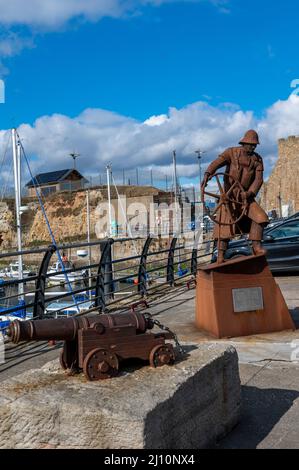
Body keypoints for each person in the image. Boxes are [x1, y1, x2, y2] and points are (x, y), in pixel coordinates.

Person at [201, 130, 269, 263]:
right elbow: (217, 162)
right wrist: (208, 173)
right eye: (251, 144)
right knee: (224, 227)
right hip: (229, 198)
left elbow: (258, 180)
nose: (253, 147)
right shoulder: (231, 153)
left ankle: (256, 247)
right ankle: (220, 256)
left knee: (261, 217)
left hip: (246, 198)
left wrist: (249, 193)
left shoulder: (257, 159)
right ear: (244, 143)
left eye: (255, 145)